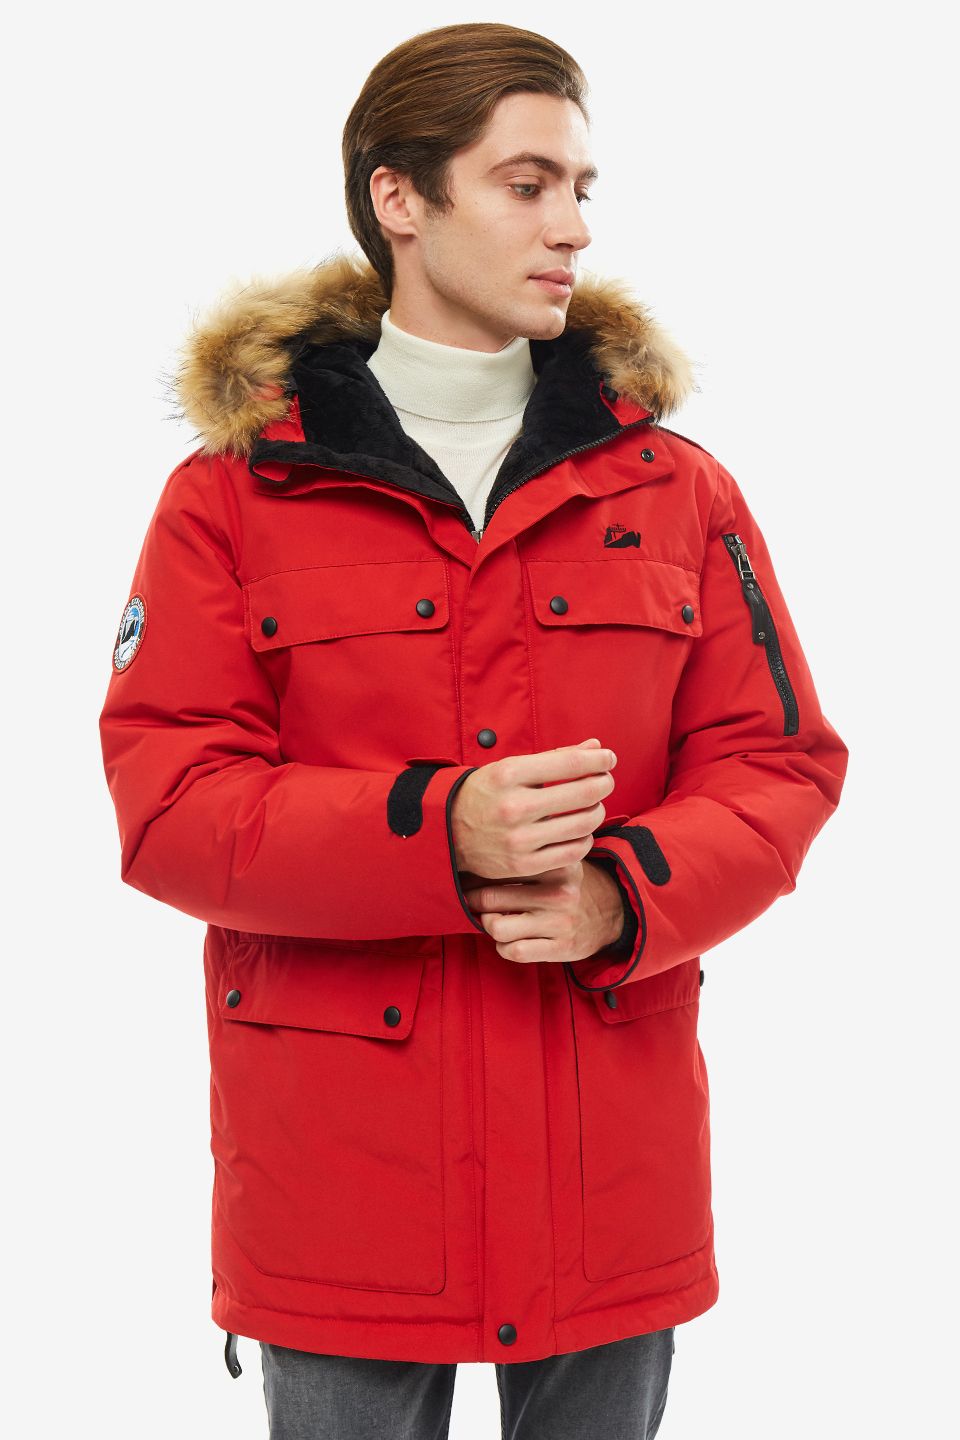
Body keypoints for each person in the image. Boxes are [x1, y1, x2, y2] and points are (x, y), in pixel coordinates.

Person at [98, 21, 849, 1439]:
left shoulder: (673, 488)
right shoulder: (235, 497)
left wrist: (625, 894)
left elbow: (778, 764)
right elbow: (171, 806)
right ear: (400, 197)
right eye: (526, 184)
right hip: (343, 1187)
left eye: (582, 188)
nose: (573, 227)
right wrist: (438, 830)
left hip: (605, 1168)